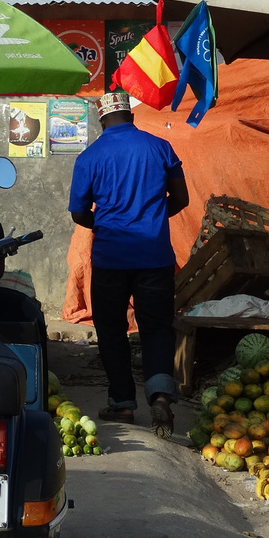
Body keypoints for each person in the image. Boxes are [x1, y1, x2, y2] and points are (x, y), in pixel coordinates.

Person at [68, 91, 188, 437]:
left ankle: (122, 403)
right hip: (155, 257)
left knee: (110, 330)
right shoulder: (159, 147)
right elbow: (181, 198)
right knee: (156, 328)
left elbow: (79, 212)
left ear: (103, 119)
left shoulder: (90, 157)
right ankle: (162, 398)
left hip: (110, 259)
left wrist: (104, 224)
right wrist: (152, 219)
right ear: (130, 116)